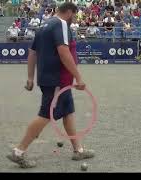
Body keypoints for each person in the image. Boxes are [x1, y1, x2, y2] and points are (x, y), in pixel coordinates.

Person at [6, 2, 95, 169]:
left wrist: (30, 77)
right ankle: (19, 152)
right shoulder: (60, 24)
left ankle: (78, 150)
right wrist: (78, 77)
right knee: (46, 114)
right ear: (69, 12)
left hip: (54, 79)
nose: (74, 19)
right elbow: (63, 51)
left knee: (68, 111)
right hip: (57, 80)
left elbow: (33, 52)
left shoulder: (45, 24)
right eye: (74, 15)